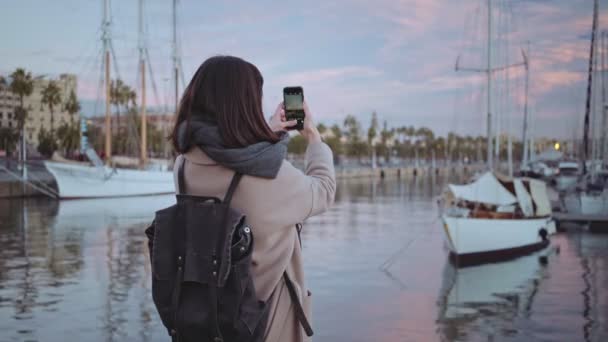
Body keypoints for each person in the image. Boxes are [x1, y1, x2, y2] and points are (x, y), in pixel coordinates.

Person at [170, 55, 336, 342]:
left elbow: (228, 153)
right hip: (264, 324)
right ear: (245, 105)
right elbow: (323, 190)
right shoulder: (270, 177)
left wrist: (268, 131)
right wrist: (312, 135)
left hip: (207, 316)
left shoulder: (184, 165)